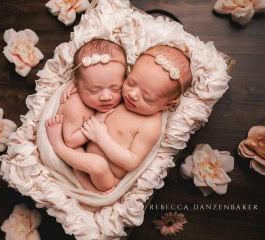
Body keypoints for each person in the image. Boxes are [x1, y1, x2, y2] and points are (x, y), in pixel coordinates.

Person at [46, 45, 192, 194]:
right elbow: (104, 84)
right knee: (77, 111)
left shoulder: (151, 125)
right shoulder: (124, 97)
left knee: (98, 164)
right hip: (82, 155)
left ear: (167, 105)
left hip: (106, 177)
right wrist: (82, 86)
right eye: (130, 83)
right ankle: (79, 176)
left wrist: (101, 138)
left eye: (147, 98)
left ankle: (59, 147)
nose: (133, 94)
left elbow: (132, 162)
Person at [48, 38, 128, 193]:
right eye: (94, 90)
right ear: (77, 85)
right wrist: (96, 121)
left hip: (105, 155)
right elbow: (71, 141)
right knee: (90, 161)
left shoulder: (118, 93)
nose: (106, 96)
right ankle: (88, 187)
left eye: (115, 89)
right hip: (75, 148)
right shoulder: (75, 104)